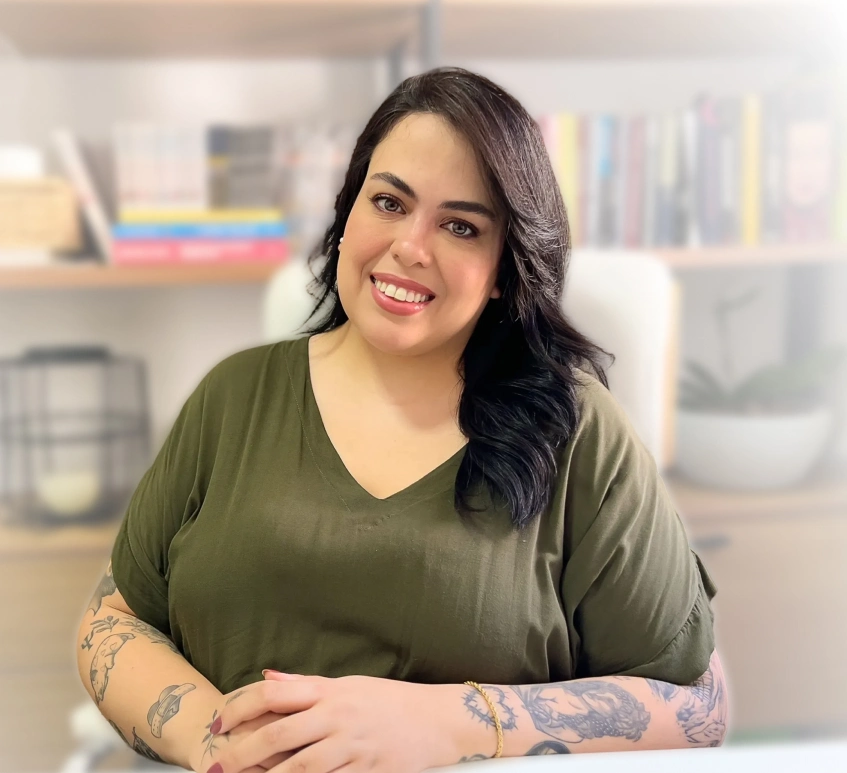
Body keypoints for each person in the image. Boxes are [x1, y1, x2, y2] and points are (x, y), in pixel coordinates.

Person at [76, 67, 727, 769]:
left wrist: (451, 722)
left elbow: (696, 706)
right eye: (388, 202)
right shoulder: (232, 396)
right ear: (347, 212)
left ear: (504, 267)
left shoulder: (578, 432)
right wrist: (222, 748)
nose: (411, 247)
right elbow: (112, 623)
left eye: (460, 226)